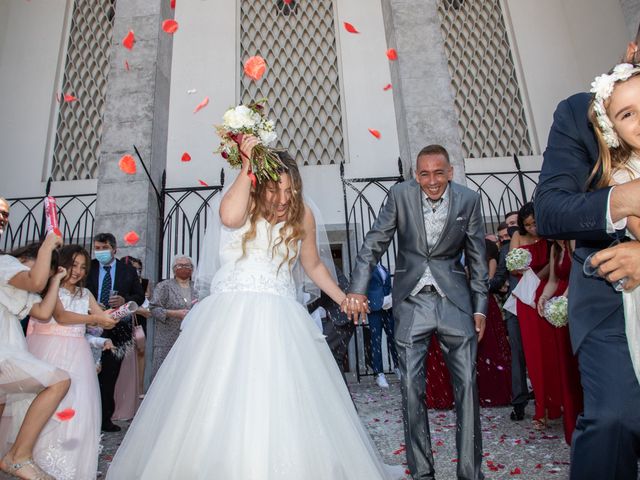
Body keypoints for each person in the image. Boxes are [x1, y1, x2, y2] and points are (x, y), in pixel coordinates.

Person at [105, 136, 403, 479]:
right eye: (276, 190)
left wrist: (344, 297)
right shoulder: (241, 201)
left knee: (280, 397)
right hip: (229, 314)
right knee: (215, 396)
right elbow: (228, 216)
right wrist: (247, 163)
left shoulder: (300, 212)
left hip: (280, 314)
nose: (283, 199)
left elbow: (314, 265)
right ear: (258, 182)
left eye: (290, 190)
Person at [534, 27, 640, 479]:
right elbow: (552, 210)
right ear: (633, 51)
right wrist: (624, 199)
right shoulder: (581, 112)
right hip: (610, 296)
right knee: (616, 418)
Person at [346, 144, 488, 480]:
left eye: (439, 173)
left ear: (450, 171)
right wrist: (357, 289)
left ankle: (470, 473)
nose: (432, 180)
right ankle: (422, 473)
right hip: (411, 302)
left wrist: (480, 308)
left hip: (455, 302)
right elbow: (373, 245)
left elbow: (478, 260)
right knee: (411, 388)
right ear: (415, 174)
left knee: (467, 386)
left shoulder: (468, 200)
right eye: (424, 173)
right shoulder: (399, 196)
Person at [26, 244, 117, 479]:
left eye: (83, 267)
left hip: (79, 355)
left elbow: (100, 316)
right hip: (50, 350)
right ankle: (36, 457)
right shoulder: (49, 287)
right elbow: (62, 316)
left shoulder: (85, 294)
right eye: (73, 265)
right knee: (50, 404)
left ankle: (71, 463)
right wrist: (94, 318)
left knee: (80, 405)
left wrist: (113, 317)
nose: (77, 271)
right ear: (62, 263)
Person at [0, 234, 71, 480]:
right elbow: (36, 280)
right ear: (25, 258)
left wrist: (56, 281)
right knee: (58, 380)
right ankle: (18, 457)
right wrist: (49, 245)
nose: (43, 274)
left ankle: (15, 457)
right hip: (3, 351)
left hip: (9, 348)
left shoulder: (16, 282)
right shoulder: (6, 263)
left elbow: (42, 312)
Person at [86, 232, 144, 432]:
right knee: (87, 374)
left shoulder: (127, 271)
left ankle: (104, 419)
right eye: (97, 248)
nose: (100, 252)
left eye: (104, 248)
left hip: (118, 331)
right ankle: (85, 417)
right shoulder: (88, 267)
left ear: (114, 249)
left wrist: (124, 300)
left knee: (109, 377)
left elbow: (140, 295)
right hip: (89, 326)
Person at [535, 239, 583, 444]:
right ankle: (573, 425)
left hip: (577, 300)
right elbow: (553, 280)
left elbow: (578, 275)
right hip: (561, 305)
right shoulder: (554, 249)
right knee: (566, 366)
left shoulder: (574, 243)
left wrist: (564, 298)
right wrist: (544, 298)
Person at [490, 210, 529, 420]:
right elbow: (498, 279)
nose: (512, 228)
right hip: (516, 305)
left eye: (515, 223)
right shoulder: (506, 249)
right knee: (518, 353)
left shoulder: (543, 242)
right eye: (509, 224)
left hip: (540, 301)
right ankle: (519, 401)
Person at [148, 255, 196, 378]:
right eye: (180, 265)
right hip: (167, 338)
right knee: (164, 374)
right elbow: (153, 308)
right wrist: (173, 313)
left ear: (192, 269)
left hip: (191, 337)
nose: (184, 268)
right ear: (174, 269)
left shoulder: (196, 287)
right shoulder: (164, 286)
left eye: (187, 266)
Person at [366, 263, 399, 389]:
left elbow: (387, 285)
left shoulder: (384, 268)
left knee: (393, 337)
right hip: (374, 308)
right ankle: (379, 373)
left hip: (388, 307)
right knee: (376, 340)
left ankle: (398, 367)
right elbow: (362, 287)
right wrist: (368, 302)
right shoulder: (366, 267)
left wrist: (390, 297)